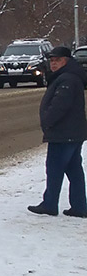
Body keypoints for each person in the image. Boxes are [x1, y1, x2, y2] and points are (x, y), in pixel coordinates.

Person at [27, 46, 87, 217]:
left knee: (54, 169)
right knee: (74, 169)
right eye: (52, 61)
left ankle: (50, 204)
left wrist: (47, 121)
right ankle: (80, 206)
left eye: (57, 60)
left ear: (66, 61)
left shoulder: (67, 79)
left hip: (64, 133)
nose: (53, 64)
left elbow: (60, 106)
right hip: (73, 132)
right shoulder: (69, 77)